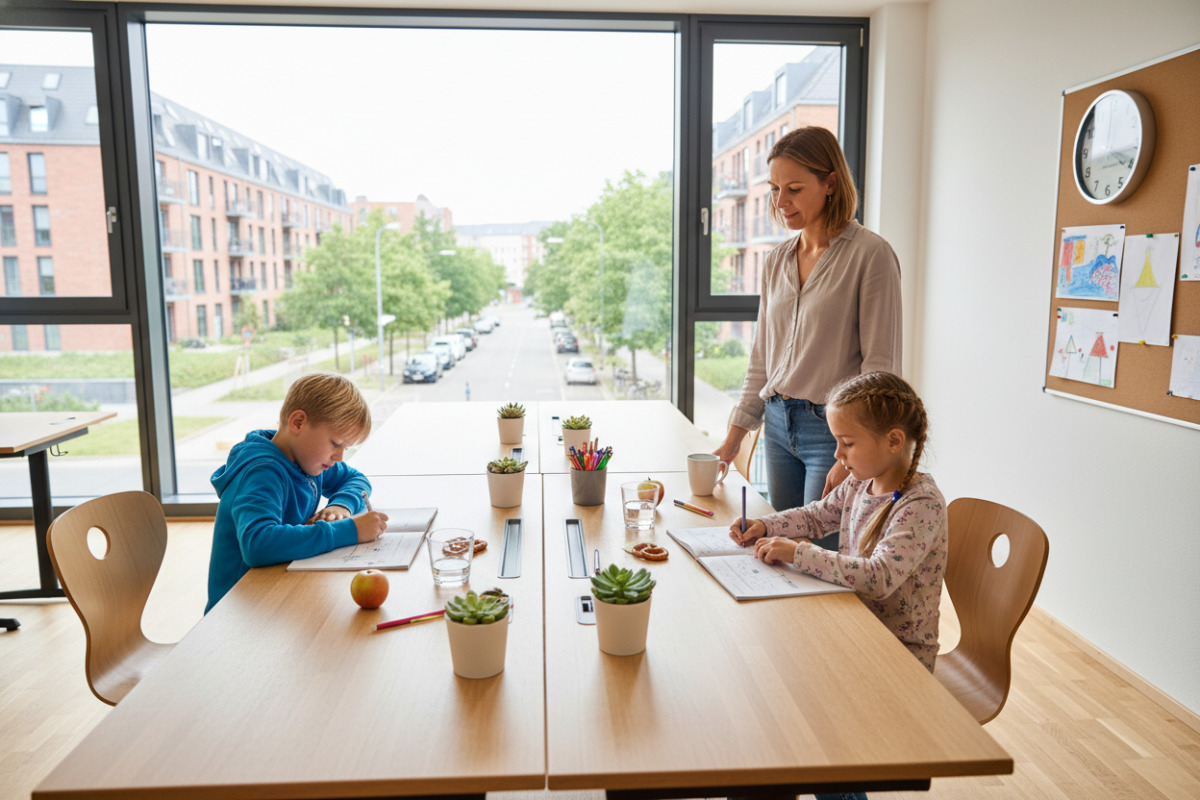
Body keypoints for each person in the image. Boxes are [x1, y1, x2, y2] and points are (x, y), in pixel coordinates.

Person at [715, 126, 902, 547]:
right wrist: (734, 436)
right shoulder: (776, 260)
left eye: (794, 189)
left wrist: (853, 452)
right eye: (774, 189)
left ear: (830, 183)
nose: (780, 202)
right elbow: (762, 357)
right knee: (778, 556)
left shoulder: (870, 256)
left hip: (832, 434)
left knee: (819, 558)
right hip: (778, 425)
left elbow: (881, 371)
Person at [730, 371, 946, 671]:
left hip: (899, 651)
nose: (837, 454)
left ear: (894, 441)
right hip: (854, 621)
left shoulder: (921, 504)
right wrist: (766, 525)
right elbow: (816, 516)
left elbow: (880, 576)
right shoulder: (860, 482)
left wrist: (799, 553)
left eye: (847, 443)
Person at [205, 371, 388, 612]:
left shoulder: (306, 458)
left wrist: (341, 505)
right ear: (298, 423)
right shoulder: (261, 472)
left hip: (278, 590)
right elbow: (257, 544)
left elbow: (355, 478)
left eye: (346, 448)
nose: (339, 457)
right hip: (239, 610)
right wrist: (350, 531)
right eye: (336, 444)